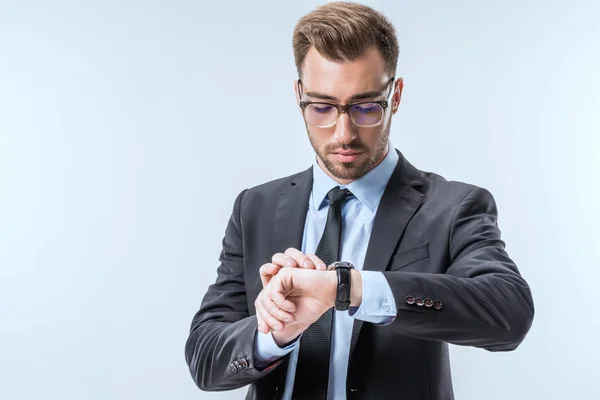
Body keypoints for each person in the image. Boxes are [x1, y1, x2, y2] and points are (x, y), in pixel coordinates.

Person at [184, 2, 535, 399]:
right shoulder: (255, 207)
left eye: (366, 107)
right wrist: (273, 332)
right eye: (321, 107)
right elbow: (205, 359)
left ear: (396, 95)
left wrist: (347, 288)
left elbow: (509, 314)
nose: (343, 132)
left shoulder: (453, 207)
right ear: (298, 95)